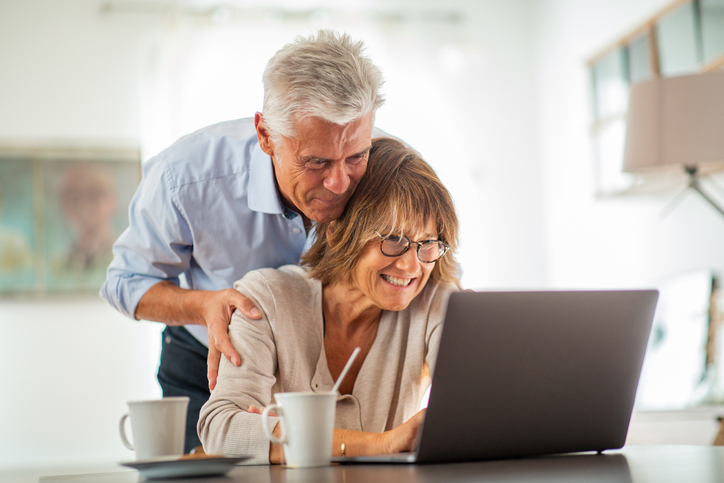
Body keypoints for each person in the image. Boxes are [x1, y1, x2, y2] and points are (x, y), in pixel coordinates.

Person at [100, 30, 388, 452]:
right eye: (316, 162)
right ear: (266, 135)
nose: (339, 182)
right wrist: (204, 305)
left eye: (356, 157)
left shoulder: (389, 167)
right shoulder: (184, 178)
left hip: (333, 365)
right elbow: (125, 282)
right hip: (213, 364)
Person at [198, 137, 459, 463]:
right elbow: (221, 431)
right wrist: (382, 445)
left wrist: (282, 436)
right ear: (337, 231)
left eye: (428, 243)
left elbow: (476, 410)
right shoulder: (266, 298)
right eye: (393, 239)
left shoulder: (435, 302)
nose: (411, 265)